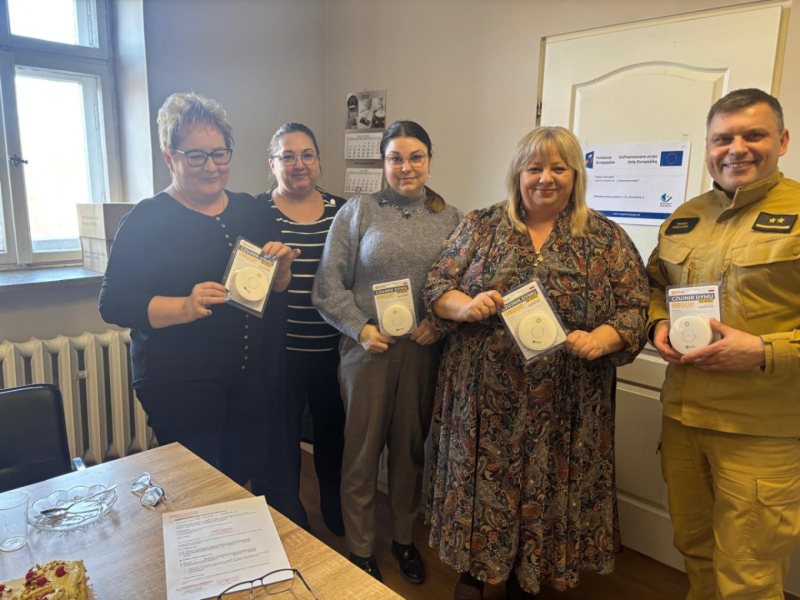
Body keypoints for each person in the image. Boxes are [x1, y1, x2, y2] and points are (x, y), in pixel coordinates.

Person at [422, 126, 649, 599]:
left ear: (575, 175)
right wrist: (464, 306)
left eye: (558, 168)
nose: (546, 178)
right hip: (484, 401)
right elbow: (437, 285)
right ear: (518, 174)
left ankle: (530, 579)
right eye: (535, 167)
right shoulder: (482, 226)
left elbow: (634, 308)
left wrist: (603, 338)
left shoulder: (605, 238)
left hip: (567, 404)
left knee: (547, 489)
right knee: (483, 487)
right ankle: (474, 574)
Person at [99, 92, 297, 490]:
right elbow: (114, 302)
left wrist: (282, 271)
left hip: (246, 377)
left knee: (238, 478)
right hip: (177, 381)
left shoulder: (251, 211)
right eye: (196, 156)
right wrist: (185, 307)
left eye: (219, 154)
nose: (211, 166)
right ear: (169, 158)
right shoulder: (146, 219)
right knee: (195, 487)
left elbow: (275, 289)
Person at [646, 88, 800, 600]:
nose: (737, 149)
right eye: (723, 138)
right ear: (709, 146)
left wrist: (765, 351)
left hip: (761, 431)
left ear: (781, 140)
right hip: (683, 420)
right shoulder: (685, 217)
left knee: (748, 575)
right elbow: (653, 287)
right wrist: (657, 324)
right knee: (695, 550)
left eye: (753, 135)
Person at [312, 120, 462, 584]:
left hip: (421, 353)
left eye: (416, 157)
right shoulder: (358, 212)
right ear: (383, 163)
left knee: (409, 452)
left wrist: (438, 324)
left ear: (430, 160)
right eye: (395, 158)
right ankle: (360, 548)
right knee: (361, 453)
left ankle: (403, 538)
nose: (406, 167)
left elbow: (463, 286)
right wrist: (360, 329)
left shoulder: (452, 219)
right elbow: (327, 285)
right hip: (368, 353)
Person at [256, 122, 346, 536]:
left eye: (307, 154)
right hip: (280, 352)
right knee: (281, 439)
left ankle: (334, 507)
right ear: (272, 164)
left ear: (318, 161)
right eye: (287, 156)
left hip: (333, 349)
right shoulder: (257, 212)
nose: (299, 164)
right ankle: (288, 516)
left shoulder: (343, 211)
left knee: (333, 435)